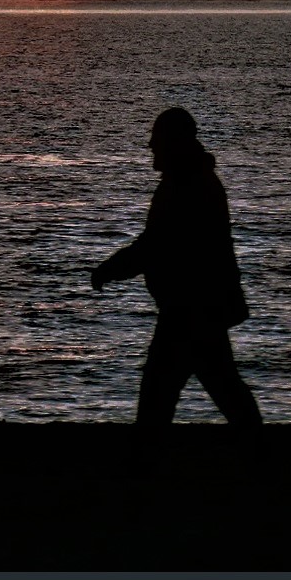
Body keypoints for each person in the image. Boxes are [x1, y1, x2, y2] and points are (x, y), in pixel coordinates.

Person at [91, 107, 262, 427]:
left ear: (172, 141)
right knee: (222, 388)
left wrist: (109, 270)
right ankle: (260, 455)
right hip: (200, 307)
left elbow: (157, 244)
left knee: (161, 396)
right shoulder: (193, 180)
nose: (151, 146)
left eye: (157, 138)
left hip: (189, 310)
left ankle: (146, 466)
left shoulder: (186, 185)